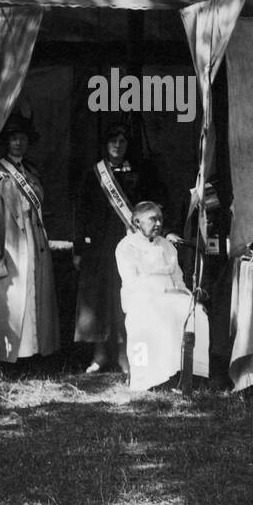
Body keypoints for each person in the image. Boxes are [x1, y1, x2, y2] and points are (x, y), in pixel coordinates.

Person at [73, 122, 166, 375]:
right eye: (113, 141)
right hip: (99, 249)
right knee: (99, 299)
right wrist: (79, 248)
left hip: (130, 246)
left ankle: (126, 355)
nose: (117, 146)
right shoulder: (94, 174)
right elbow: (81, 213)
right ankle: (100, 355)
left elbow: (151, 207)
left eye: (122, 142)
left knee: (127, 299)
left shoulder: (140, 173)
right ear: (105, 145)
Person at [0, 113, 59, 362]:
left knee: (35, 291)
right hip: (9, 240)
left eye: (22, 139)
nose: (18, 143)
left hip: (34, 238)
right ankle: (12, 353)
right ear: (7, 142)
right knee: (15, 294)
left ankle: (35, 349)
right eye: (14, 139)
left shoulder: (32, 170)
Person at [115, 201, 210, 392]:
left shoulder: (167, 246)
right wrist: (157, 296)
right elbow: (131, 281)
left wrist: (185, 294)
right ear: (136, 222)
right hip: (142, 297)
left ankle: (189, 373)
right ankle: (153, 377)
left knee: (196, 312)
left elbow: (178, 277)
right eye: (153, 219)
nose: (158, 223)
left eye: (160, 219)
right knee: (159, 316)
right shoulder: (126, 247)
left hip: (172, 293)